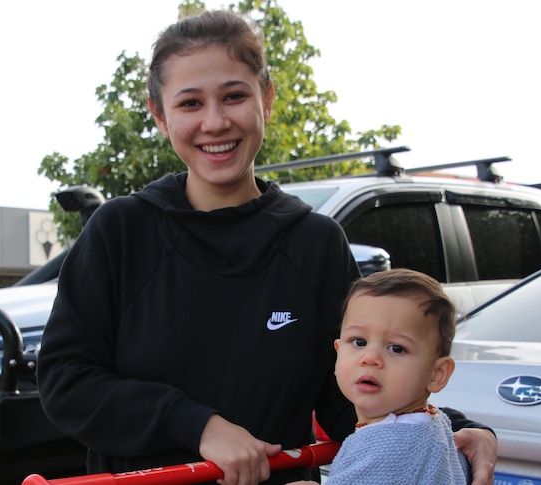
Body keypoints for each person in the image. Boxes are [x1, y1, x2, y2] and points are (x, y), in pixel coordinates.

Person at [37, 9, 496, 485]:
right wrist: (199, 426)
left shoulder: (313, 242)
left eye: (234, 96)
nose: (214, 122)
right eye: (190, 103)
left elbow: (352, 392)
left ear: (267, 99)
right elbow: (65, 382)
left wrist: (455, 429)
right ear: (160, 115)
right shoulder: (121, 230)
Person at [292, 269, 471, 485]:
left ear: (437, 374)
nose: (370, 358)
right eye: (359, 342)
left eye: (396, 348)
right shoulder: (434, 425)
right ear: (338, 351)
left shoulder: (385, 446)